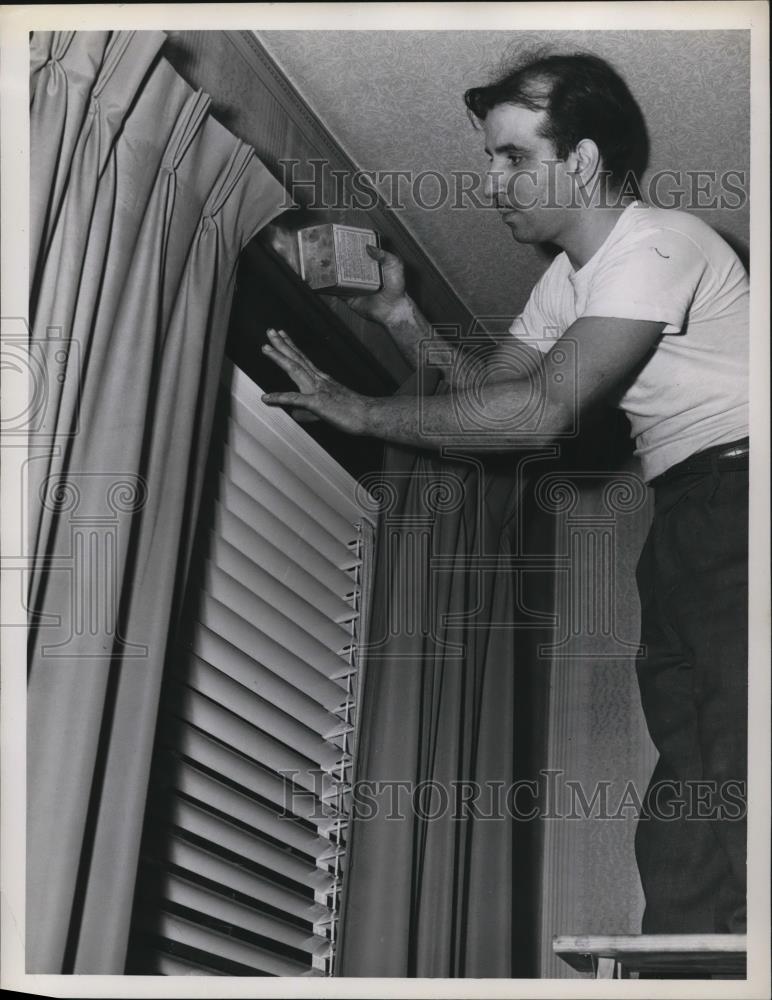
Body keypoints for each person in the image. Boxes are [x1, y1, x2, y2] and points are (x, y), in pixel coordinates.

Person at [261, 51, 749, 936]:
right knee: (696, 758)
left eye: (514, 157)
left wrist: (362, 411)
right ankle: (698, 954)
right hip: (685, 509)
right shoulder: (564, 285)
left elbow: (539, 414)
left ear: (587, 162)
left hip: (744, 494)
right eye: (491, 158)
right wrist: (404, 318)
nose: (492, 182)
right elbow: (494, 387)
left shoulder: (659, 243)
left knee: (743, 739)